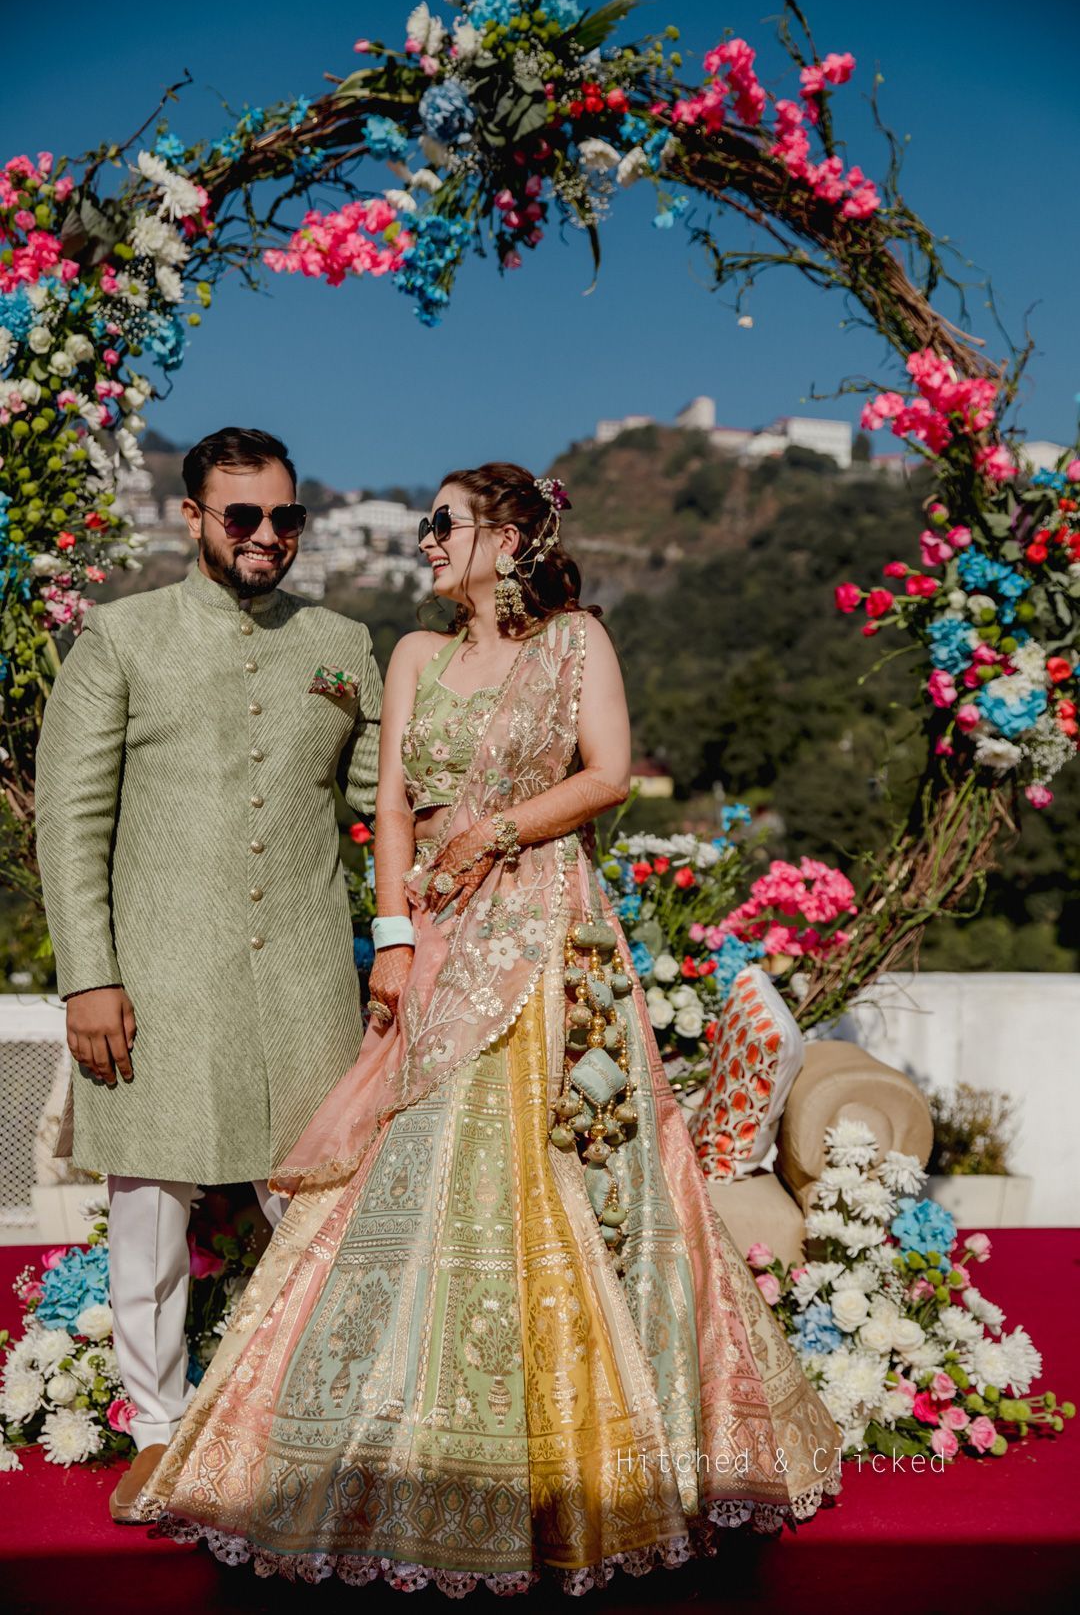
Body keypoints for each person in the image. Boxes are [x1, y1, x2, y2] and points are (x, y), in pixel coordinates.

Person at [131, 462, 841, 1593]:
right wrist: (397, 935)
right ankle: (387, 1444)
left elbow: (607, 776)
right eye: (423, 523)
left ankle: (583, 1453)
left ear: (509, 540)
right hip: (444, 940)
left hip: (548, 936)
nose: (422, 540)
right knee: (405, 1164)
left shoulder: (576, 645)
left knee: (551, 1172)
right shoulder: (416, 655)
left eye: (442, 524)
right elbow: (394, 808)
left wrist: (502, 829)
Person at [33, 426, 384, 1522]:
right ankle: (156, 1428)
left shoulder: (342, 641)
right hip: (160, 978)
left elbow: (387, 798)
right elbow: (69, 821)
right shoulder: (122, 638)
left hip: (310, 978)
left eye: (285, 517)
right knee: (149, 1208)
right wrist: (89, 975)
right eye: (243, 516)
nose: (266, 536)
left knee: (321, 1211)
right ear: (192, 517)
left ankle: (319, 1428)